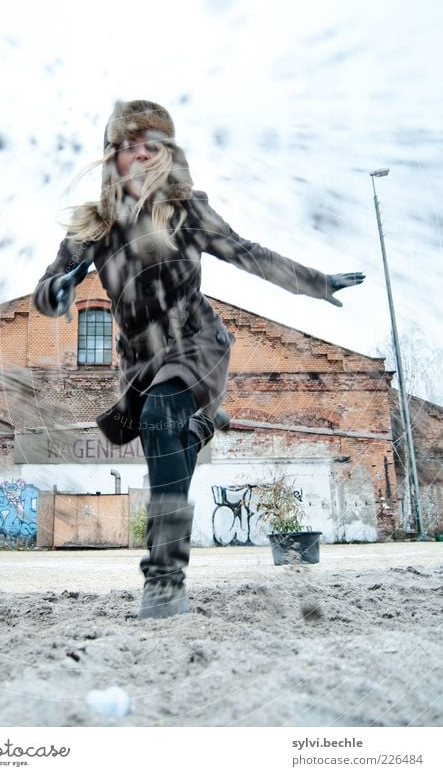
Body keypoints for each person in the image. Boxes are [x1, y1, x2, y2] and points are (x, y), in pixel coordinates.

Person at [33, 99, 365, 619]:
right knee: (166, 436)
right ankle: (199, 428)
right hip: (140, 360)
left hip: (197, 343)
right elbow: (46, 295)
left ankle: (164, 579)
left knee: (162, 412)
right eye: (127, 146)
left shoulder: (188, 209)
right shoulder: (91, 227)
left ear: (166, 152)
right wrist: (60, 287)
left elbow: (247, 252)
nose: (140, 155)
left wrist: (316, 283)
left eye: (151, 145)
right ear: (111, 157)